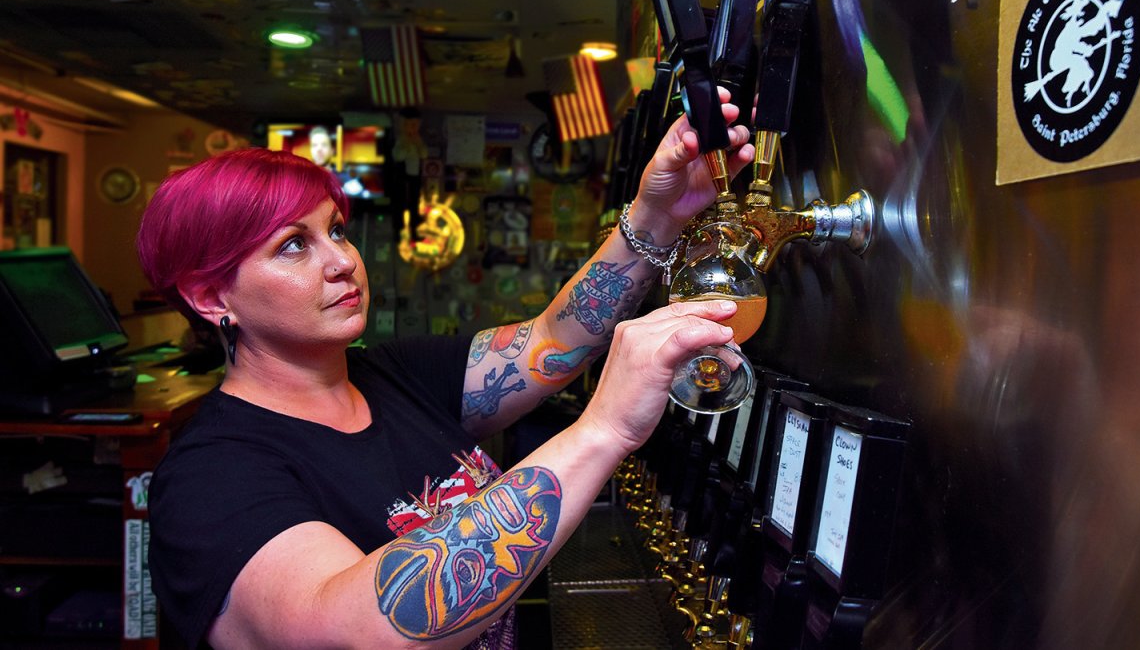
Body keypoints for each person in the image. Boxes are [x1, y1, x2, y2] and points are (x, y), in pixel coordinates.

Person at [137, 88, 753, 649]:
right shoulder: (209, 477)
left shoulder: (393, 373)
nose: (342, 262)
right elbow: (363, 633)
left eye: (337, 231)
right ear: (212, 297)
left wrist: (658, 215)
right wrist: (605, 429)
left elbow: (553, 340)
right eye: (293, 244)